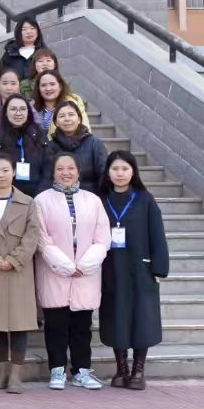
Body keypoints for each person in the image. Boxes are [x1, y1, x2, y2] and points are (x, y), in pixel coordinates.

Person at [36, 153, 110, 391]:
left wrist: (85, 265)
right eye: (60, 168)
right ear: (53, 172)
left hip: (86, 273)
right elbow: (42, 239)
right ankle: (57, 370)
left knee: (82, 327)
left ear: (78, 172)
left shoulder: (93, 201)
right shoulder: (41, 201)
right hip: (54, 271)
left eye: (70, 168)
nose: (65, 173)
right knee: (55, 325)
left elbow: (102, 237)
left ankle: (81, 371)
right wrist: (65, 265)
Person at [99, 150, 168, 391]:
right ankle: (121, 369)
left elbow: (157, 234)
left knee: (142, 318)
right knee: (116, 317)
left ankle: (138, 370)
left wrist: (159, 268)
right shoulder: (100, 200)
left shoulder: (145, 199)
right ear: (108, 172)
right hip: (111, 268)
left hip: (141, 269)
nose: (120, 173)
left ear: (133, 172)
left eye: (125, 169)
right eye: (115, 169)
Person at [0, 155, 42, 394]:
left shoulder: (28, 202)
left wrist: (13, 260)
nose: (0, 175)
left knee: (19, 323)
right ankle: (1, 372)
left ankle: (16, 376)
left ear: (13, 172)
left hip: (19, 271)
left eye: (5, 170)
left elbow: (33, 236)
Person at [0, 94, 50, 197]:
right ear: (6, 112)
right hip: (8, 196)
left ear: (28, 112)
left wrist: (40, 195)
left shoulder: (39, 135)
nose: (18, 113)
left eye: (22, 109)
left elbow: (48, 168)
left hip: (38, 195)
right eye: (13, 109)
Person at [43, 101, 108, 193]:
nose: (67, 119)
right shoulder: (50, 146)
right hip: (57, 197)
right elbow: (46, 178)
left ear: (79, 119)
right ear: (56, 122)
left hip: (89, 197)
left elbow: (103, 175)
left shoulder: (94, 144)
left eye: (71, 115)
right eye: (62, 116)